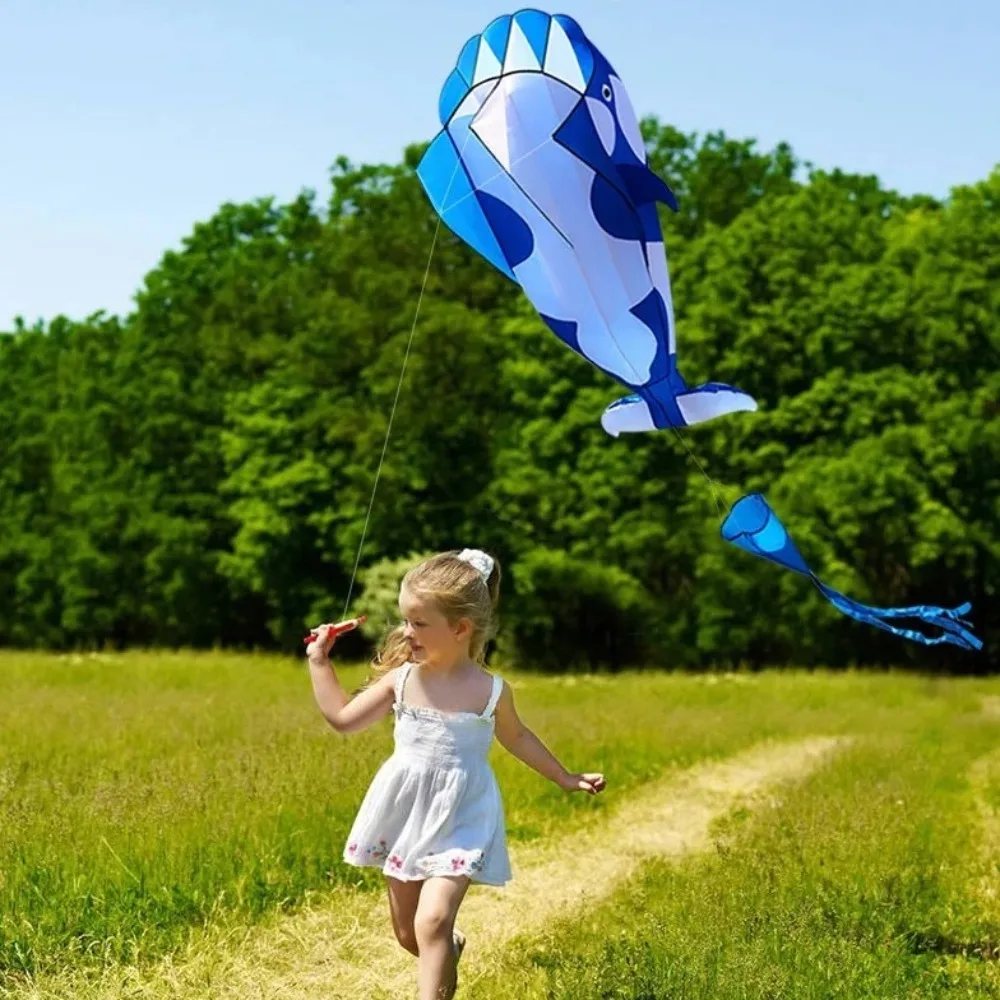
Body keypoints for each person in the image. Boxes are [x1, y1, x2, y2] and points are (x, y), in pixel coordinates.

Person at [306, 548, 606, 1000]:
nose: (406, 632)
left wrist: (563, 776)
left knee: (432, 922)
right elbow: (343, 719)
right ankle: (448, 949)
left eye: (418, 623)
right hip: (404, 814)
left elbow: (518, 738)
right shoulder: (402, 680)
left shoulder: (490, 691)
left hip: (463, 815)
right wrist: (319, 661)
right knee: (411, 935)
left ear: (460, 628)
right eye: (406, 620)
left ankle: (439, 959)